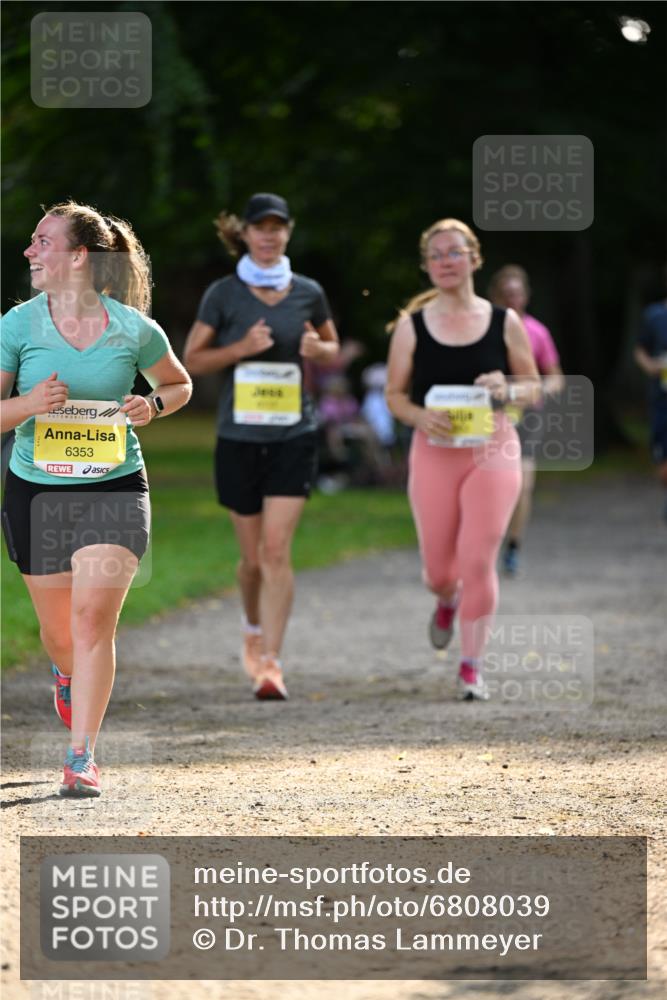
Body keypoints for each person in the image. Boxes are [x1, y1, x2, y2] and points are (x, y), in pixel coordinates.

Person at [0, 200, 192, 797]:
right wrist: (30, 406)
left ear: (78, 257)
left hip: (114, 486)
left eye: (42, 241)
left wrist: (153, 405)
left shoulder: (134, 328)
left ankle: (81, 755)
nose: (30, 251)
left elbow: (178, 383)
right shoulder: (16, 326)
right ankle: (64, 674)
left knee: (92, 619)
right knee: (61, 633)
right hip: (36, 492)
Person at [183, 193, 339, 700]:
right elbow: (192, 360)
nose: (269, 236)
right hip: (239, 438)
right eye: (260, 228)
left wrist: (321, 350)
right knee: (251, 560)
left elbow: (333, 348)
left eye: (278, 227)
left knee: (277, 550)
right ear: (245, 234)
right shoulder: (224, 294)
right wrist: (240, 349)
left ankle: (271, 662)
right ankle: (252, 629)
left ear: (288, 233)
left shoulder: (309, 292)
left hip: (294, 434)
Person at [385, 219, 540, 700]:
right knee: (438, 573)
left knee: (478, 560)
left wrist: (506, 388)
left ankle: (472, 666)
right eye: (436, 256)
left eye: (455, 253)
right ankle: (446, 601)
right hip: (434, 452)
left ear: (475, 258)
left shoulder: (503, 322)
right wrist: (418, 416)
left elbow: (533, 387)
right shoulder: (411, 328)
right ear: (427, 267)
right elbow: (394, 395)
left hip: (493, 449)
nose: (446, 262)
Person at [488, 265, 564, 575]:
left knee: (523, 485)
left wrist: (538, 389)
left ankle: (513, 547)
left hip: (528, 414)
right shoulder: (483, 328)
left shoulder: (537, 332)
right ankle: (484, 543)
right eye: (506, 295)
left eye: (517, 294)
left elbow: (556, 377)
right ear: (496, 296)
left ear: (526, 297)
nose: (512, 300)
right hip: (489, 414)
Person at [633, 280, 667, 521]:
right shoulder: (655, 315)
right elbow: (640, 349)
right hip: (661, 397)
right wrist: (652, 367)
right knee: (663, 461)